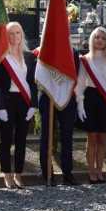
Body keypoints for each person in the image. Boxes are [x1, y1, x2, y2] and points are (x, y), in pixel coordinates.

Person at [75, 27, 106, 184]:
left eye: (103, 38)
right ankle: (91, 172)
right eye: (97, 37)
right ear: (92, 40)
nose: (100, 40)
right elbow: (80, 83)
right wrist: (80, 104)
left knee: (103, 139)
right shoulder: (86, 60)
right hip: (91, 99)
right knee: (92, 138)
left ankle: (100, 171)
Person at [0, 22, 37, 189]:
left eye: (17, 33)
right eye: (11, 33)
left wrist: (34, 104)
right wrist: (0, 106)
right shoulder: (2, 57)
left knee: (21, 140)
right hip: (7, 102)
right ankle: (7, 174)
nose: (14, 36)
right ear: (6, 36)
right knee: (6, 140)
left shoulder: (29, 57)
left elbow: (33, 83)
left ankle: (18, 174)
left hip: (24, 102)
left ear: (21, 35)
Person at [37, 45, 81, 186]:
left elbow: (75, 74)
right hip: (47, 97)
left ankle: (67, 175)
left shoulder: (73, 52)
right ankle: (47, 175)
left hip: (66, 96)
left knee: (66, 137)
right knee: (46, 136)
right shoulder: (42, 49)